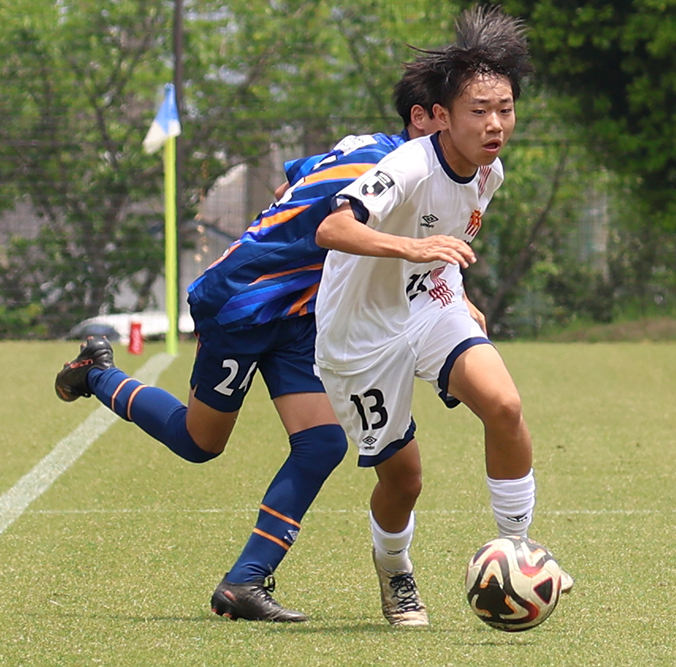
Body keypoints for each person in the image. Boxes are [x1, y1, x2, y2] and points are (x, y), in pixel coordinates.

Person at [54, 65, 444, 623]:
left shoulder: (369, 147)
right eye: (464, 112)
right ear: (424, 117)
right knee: (200, 442)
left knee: (322, 443)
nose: (482, 126)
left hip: (299, 314)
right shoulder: (382, 167)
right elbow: (334, 223)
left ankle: (244, 581)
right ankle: (96, 373)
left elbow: (292, 183)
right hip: (243, 302)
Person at [313, 5, 570, 628]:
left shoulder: (489, 172)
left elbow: (447, 238)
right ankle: (394, 569)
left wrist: (453, 287)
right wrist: (413, 249)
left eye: (505, 108)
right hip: (359, 336)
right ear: (444, 115)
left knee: (504, 407)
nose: (495, 123)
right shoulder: (407, 165)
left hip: (428, 305)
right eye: (479, 111)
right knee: (405, 481)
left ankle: (518, 552)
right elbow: (332, 228)